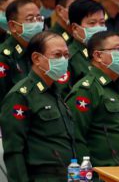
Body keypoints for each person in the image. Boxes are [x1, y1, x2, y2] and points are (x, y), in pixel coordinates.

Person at [0, 31, 74, 181]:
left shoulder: (55, 92)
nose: (64, 60)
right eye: (57, 55)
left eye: (66, 55)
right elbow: (14, 151)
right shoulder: (21, 95)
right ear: (37, 58)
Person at [66, 31, 119, 167]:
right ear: (98, 55)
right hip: (101, 175)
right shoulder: (86, 90)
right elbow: (76, 139)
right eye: (118, 49)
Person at [0, 0, 44, 103]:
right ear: (13, 26)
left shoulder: (42, 50)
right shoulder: (4, 57)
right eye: (30, 19)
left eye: (39, 18)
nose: (37, 23)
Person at [68, 0, 107, 84]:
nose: (99, 28)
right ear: (75, 28)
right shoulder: (69, 58)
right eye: (92, 23)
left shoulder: (107, 53)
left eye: (102, 23)